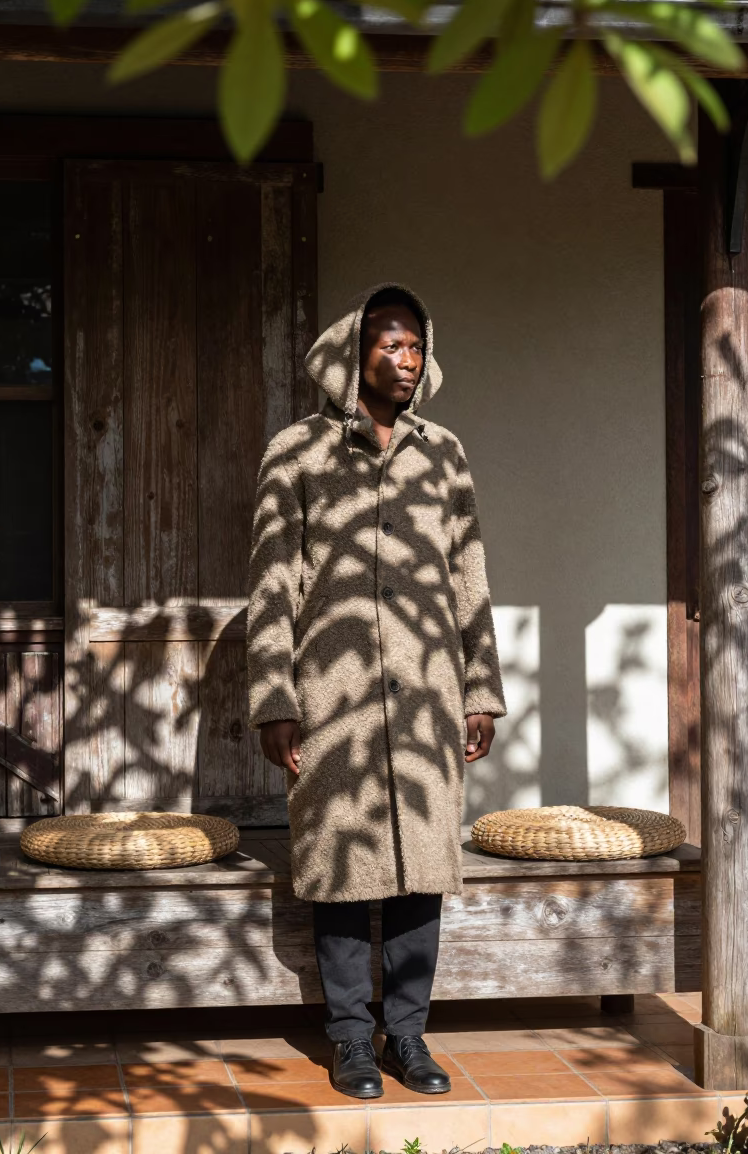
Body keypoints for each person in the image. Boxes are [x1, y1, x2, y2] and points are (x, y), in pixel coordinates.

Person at [247, 284, 506, 1099]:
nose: (407, 360)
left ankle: (409, 1037)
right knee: (341, 864)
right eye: (390, 345)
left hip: (429, 691)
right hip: (337, 695)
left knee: (423, 866)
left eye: (417, 346)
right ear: (352, 353)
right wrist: (277, 699)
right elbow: (271, 582)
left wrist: (480, 689)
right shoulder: (298, 453)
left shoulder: (445, 452)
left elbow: (470, 575)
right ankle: (352, 1041)